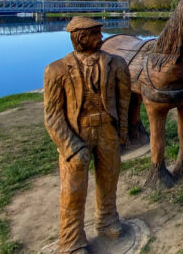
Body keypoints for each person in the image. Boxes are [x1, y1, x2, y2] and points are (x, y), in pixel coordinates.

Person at [43, 16, 131, 253]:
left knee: (109, 178)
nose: (102, 38)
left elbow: (124, 102)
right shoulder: (56, 70)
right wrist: (70, 146)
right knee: (73, 188)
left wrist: (122, 133)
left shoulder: (117, 64)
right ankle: (71, 239)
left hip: (107, 130)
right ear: (82, 37)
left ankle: (107, 219)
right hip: (76, 132)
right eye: (96, 34)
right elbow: (52, 116)